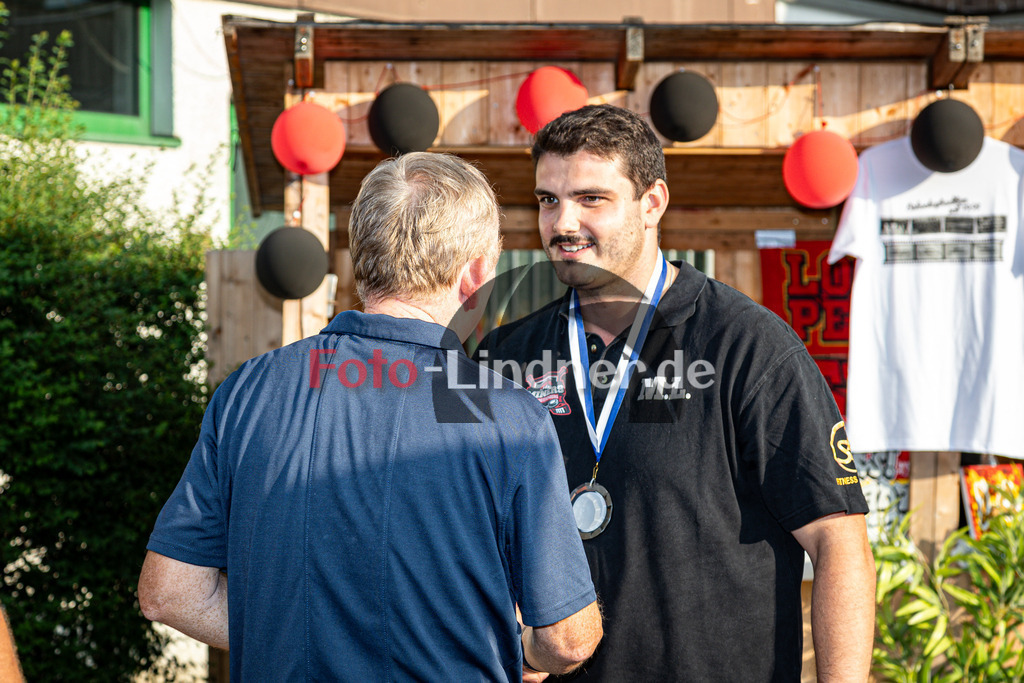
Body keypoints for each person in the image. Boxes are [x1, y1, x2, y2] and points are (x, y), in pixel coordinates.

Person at [138, 152, 602, 681]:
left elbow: (169, 593)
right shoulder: (510, 418)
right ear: (476, 273)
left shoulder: (247, 391)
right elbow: (568, 640)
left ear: (362, 255)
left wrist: (288, 636)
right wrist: (507, 647)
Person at [475, 105, 876, 682]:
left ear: (653, 203)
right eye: (547, 200)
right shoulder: (504, 357)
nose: (562, 222)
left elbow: (838, 541)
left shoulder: (749, 346)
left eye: (591, 199)